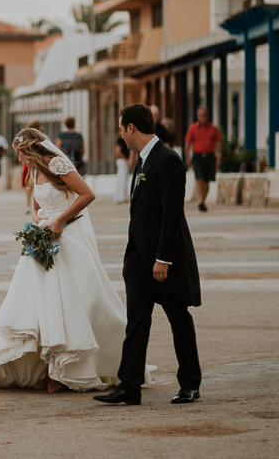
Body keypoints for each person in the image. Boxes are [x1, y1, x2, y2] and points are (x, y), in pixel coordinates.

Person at [0, 128, 126, 392]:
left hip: (68, 238)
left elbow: (88, 195)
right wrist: (38, 220)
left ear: (32, 149)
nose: (20, 160)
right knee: (41, 305)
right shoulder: (33, 171)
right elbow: (36, 205)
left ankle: (64, 370)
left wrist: (60, 219)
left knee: (71, 302)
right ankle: (46, 369)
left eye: (21, 154)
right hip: (44, 239)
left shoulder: (57, 163)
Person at [95, 104, 202, 407]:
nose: (120, 134)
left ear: (131, 128)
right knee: (136, 322)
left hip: (163, 262)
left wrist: (163, 259)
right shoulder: (142, 161)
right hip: (138, 261)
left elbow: (171, 215)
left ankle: (190, 384)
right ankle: (129, 388)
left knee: (178, 318)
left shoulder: (167, 161)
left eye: (121, 128)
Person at [184, 106, 221, 212]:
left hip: (210, 156)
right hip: (197, 157)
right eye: (200, 115)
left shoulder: (213, 129)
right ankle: (201, 201)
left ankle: (203, 201)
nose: (203, 117)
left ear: (208, 116)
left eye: (204, 115)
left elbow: (218, 143)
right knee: (199, 179)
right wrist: (187, 158)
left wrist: (219, 157)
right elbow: (187, 144)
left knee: (207, 180)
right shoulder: (193, 128)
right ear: (197, 116)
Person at [20, 120, 42, 212]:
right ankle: (35, 205)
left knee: (29, 184)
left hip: (27, 163)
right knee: (37, 183)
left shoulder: (24, 137)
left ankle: (28, 204)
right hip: (38, 163)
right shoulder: (42, 137)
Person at [114, 137, 135, 204]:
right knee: (123, 179)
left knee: (121, 179)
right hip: (123, 161)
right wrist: (127, 160)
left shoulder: (121, 139)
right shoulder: (122, 139)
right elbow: (118, 151)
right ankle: (122, 197)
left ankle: (119, 197)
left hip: (120, 161)